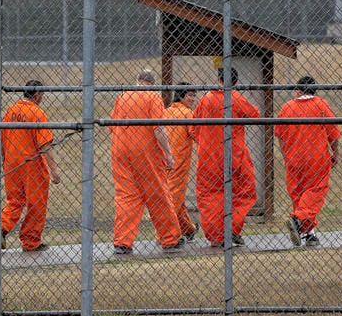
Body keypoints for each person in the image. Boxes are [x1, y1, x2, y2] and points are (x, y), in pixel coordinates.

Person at [109, 69, 185, 255]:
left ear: (137, 81)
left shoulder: (123, 96)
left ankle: (122, 242)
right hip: (145, 152)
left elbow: (111, 126)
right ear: (152, 84)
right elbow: (158, 128)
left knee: (126, 196)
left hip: (120, 150)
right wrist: (168, 154)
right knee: (158, 193)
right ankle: (169, 239)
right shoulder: (153, 96)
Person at [191, 68, 259, 248]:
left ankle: (216, 236)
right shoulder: (236, 98)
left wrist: (204, 143)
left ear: (218, 79)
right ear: (235, 83)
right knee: (245, 191)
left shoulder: (206, 99)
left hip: (208, 157)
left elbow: (193, 128)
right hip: (234, 155)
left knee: (209, 195)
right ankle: (232, 227)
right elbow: (254, 115)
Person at [275, 76, 341, 248]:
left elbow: (280, 135)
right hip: (316, 158)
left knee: (298, 193)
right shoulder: (320, 105)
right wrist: (335, 153)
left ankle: (309, 233)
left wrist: (286, 155)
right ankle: (298, 220)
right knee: (316, 190)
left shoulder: (287, 107)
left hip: (294, 157)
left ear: (298, 91)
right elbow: (332, 133)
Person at [1, 80, 61, 252]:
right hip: (31, 164)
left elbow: (2, 137)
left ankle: (0, 230)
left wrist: (4, 159)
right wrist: (54, 170)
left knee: (14, 201)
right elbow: (45, 145)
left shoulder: (11, 110)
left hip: (11, 163)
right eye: (41, 95)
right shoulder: (37, 113)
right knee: (37, 203)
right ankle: (31, 240)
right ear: (37, 95)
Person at [163, 83, 200, 242]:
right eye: (189, 95)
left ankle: (188, 228)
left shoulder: (166, 113)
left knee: (176, 196)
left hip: (164, 161)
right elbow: (196, 135)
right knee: (174, 198)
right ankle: (164, 233)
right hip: (179, 163)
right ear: (181, 96)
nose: (192, 98)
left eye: (194, 95)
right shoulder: (188, 114)